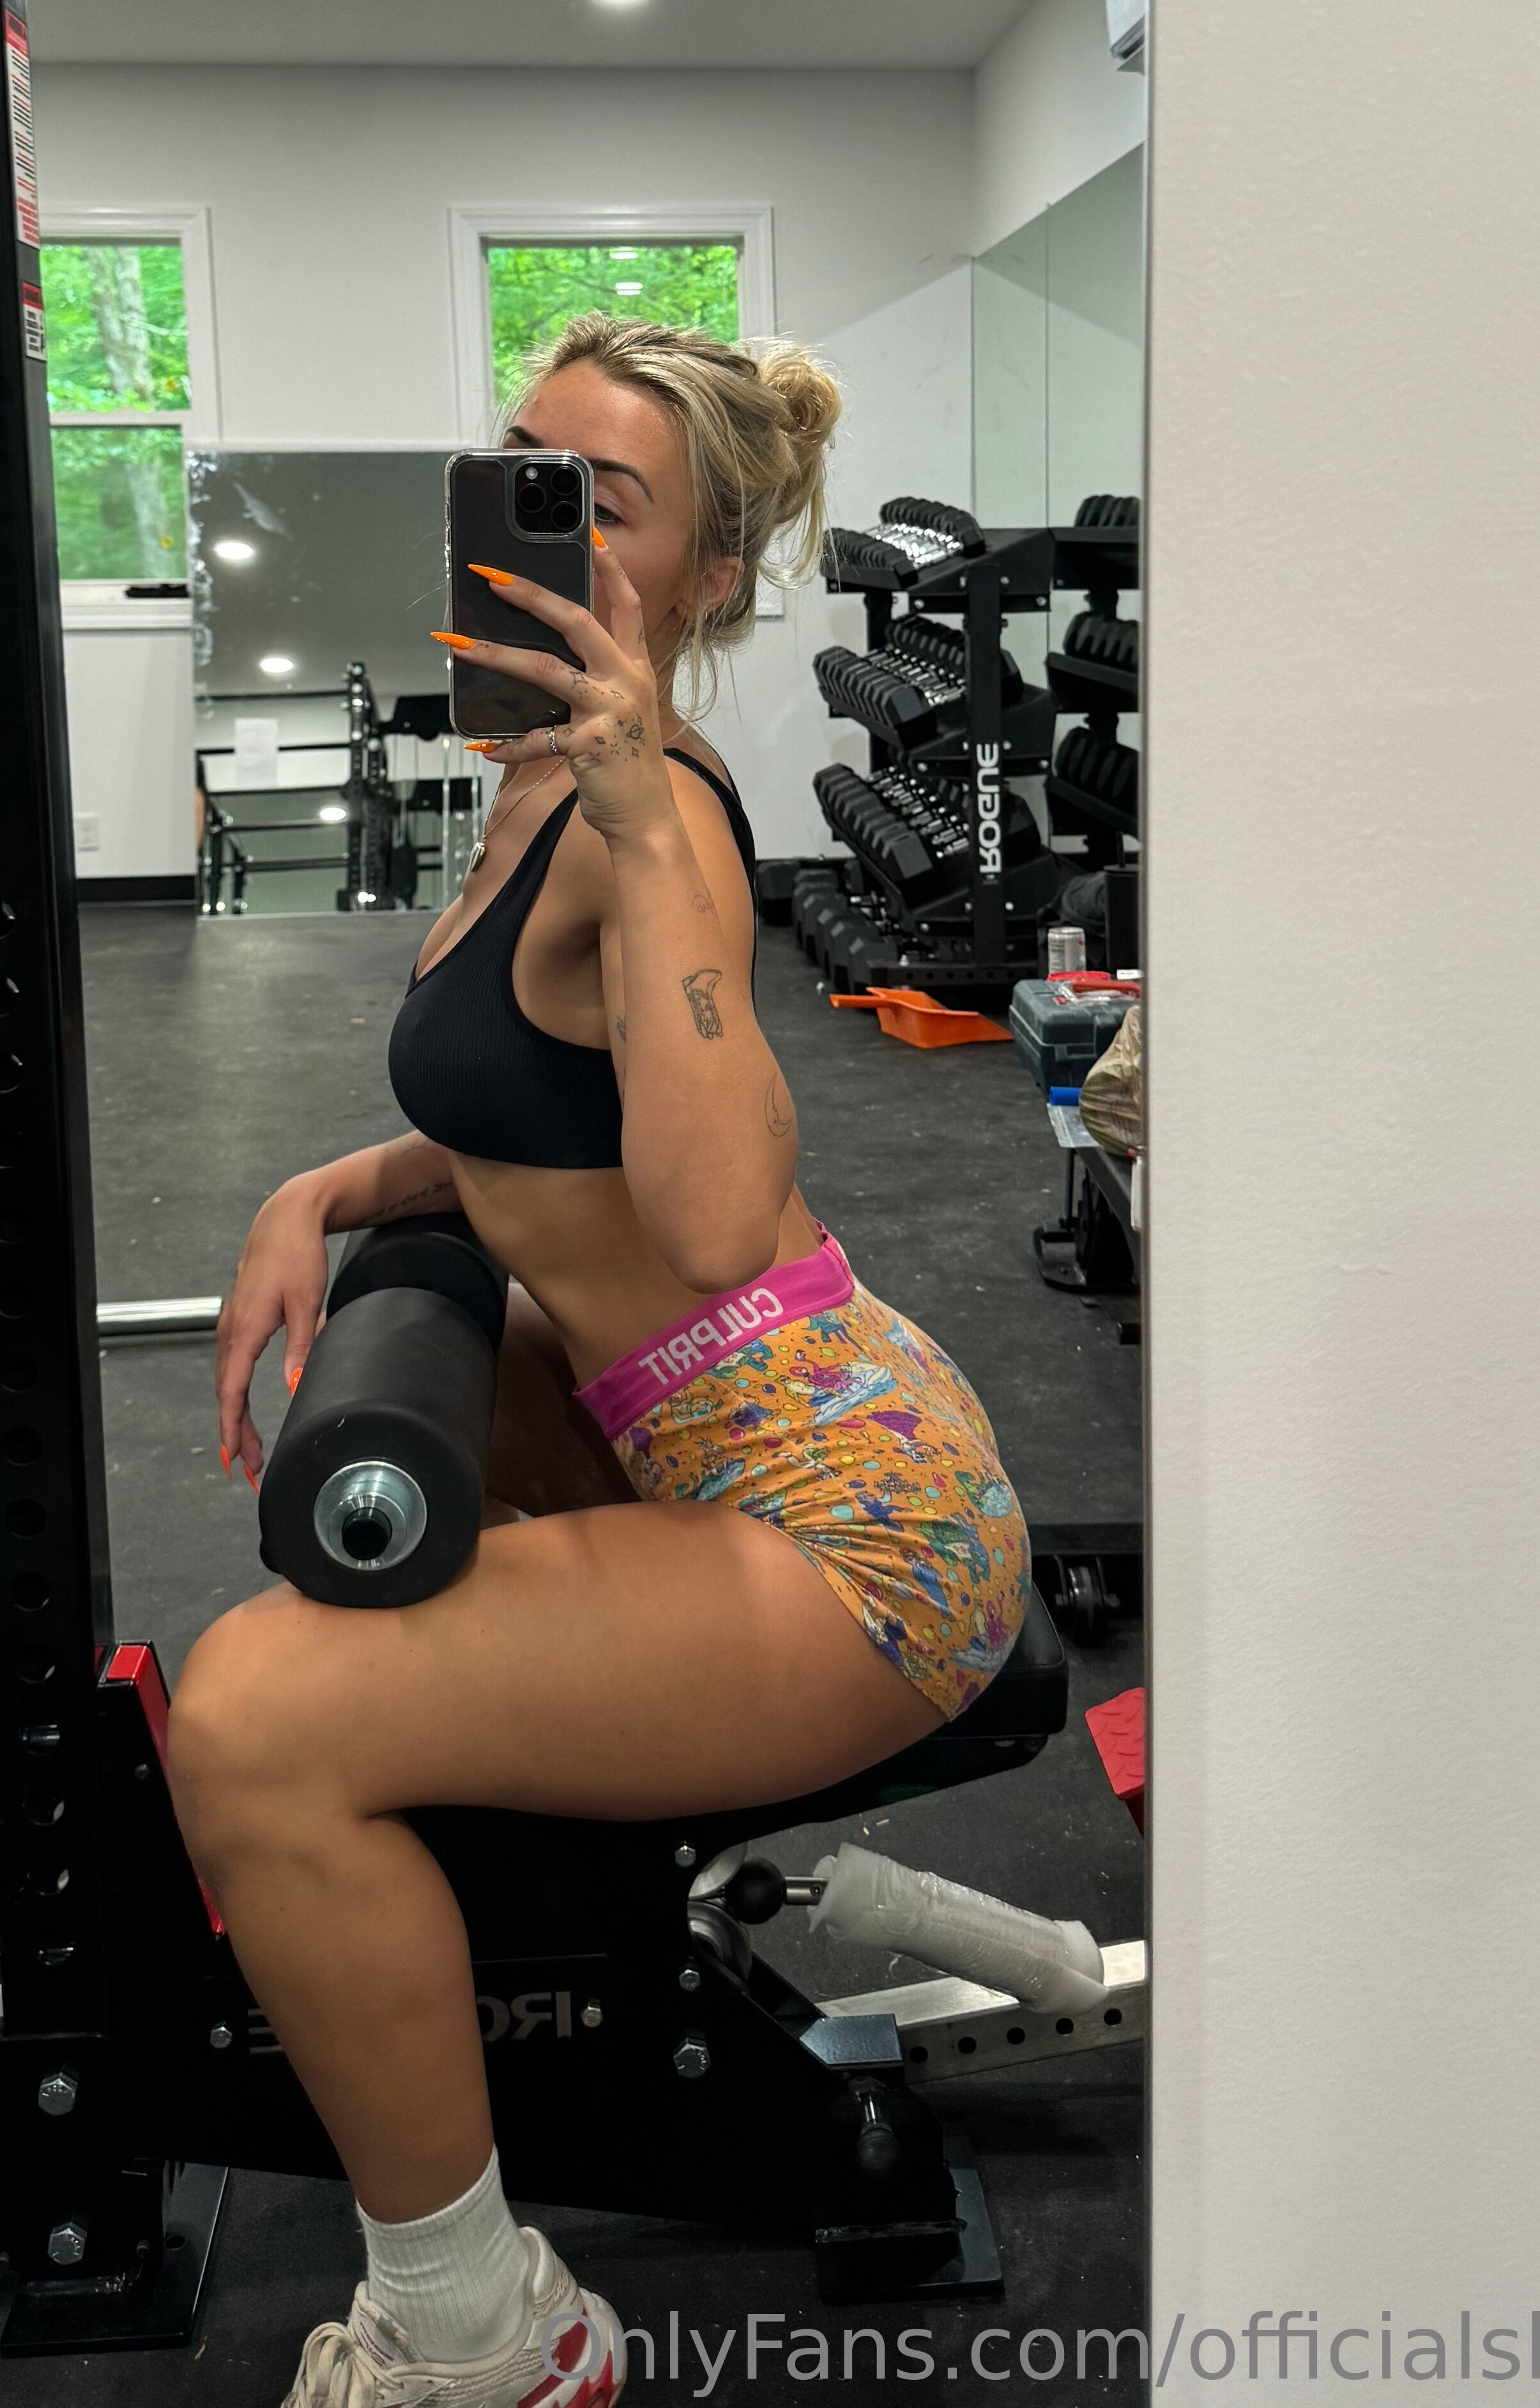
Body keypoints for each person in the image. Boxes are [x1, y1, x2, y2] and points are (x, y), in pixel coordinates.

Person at [168, 314, 1032, 2408]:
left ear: (707, 581)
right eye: (517, 474)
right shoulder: (537, 781)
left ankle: (491, 2337)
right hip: (715, 1429)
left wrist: (652, 830)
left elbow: (718, 1214)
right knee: (385, 1573)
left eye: (595, 505)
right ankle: (710, 1857)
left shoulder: (658, 820)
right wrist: (329, 1189)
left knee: (255, 1726)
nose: (526, 530)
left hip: (858, 1523)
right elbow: (523, 1114)